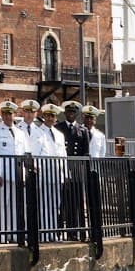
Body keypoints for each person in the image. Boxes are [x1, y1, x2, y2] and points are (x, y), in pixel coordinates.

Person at [0, 102, 24, 241]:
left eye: (10, 114)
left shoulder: (20, 133)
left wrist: (23, 175)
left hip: (17, 175)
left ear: (15, 115)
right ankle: (0, 234)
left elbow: (24, 154)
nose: (7, 116)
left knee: (14, 206)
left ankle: (13, 234)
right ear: (2, 115)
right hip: (3, 175)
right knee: (1, 205)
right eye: (5, 114)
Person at [35, 102, 69, 242]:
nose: (50, 118)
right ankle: (44, 233)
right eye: (48, 116)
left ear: (56, 117)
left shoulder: (59, 134)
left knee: (55, 205)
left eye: (52, 116)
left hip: (57, 173)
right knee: (44, 205)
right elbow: (35, 153)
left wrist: (65, 174)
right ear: (44, 116)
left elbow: (63, 155)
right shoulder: (38, 132)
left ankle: (53, 232)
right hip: (44, 173)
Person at [58, 100, 90, 239]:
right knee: (62, 202)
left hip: (76, 171)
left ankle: (75, 232)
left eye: (73, 112)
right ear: (65, 113)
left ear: (76, 114)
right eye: (68, 112)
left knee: (76, 203)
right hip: (63, 169)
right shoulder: (59, 128)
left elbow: (86, 153)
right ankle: (58, 231)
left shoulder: (82, 130)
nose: (70, 114)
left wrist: (82, 170)